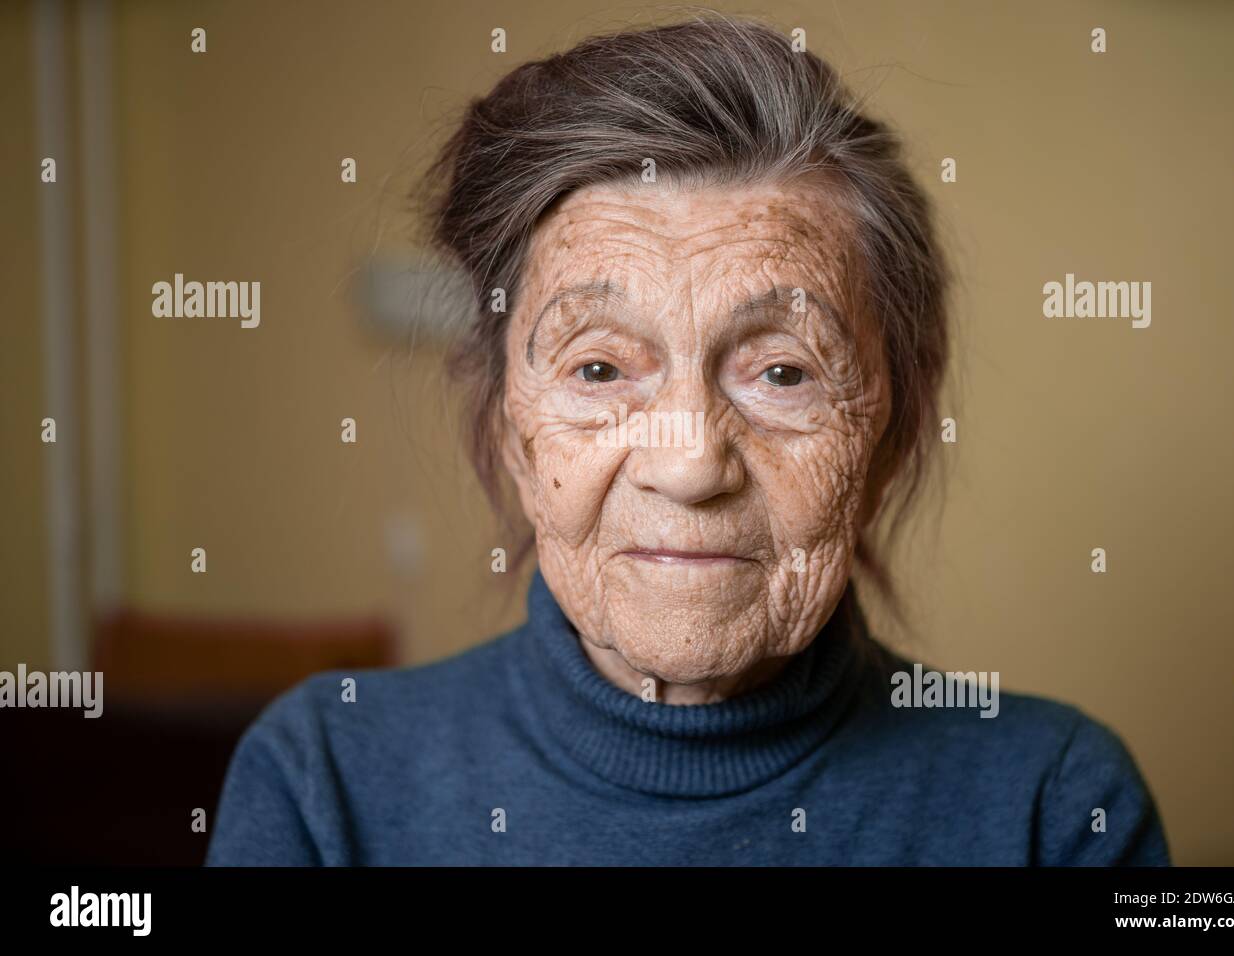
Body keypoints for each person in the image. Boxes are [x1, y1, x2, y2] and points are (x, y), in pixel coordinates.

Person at [206, 15, 1169, 866]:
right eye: (599, 369)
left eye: (783, 372)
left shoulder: (1054, 808)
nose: (689, 460)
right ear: (511, 430)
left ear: (889, 437)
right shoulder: (325, 784)